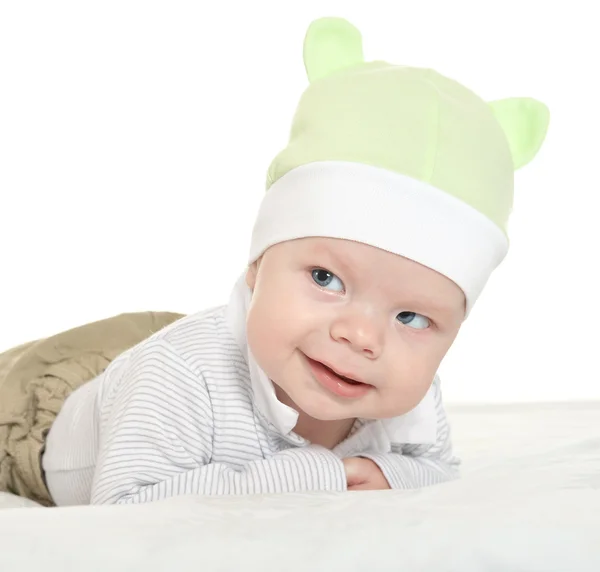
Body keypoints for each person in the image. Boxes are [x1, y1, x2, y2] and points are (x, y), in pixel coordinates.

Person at [40, 16, 549, 505]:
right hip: (43, 415)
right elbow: (125, 502)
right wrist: (317, 473)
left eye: (411, 317)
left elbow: (441, 471)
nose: (362, 337)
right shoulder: (178, 376)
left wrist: (386, 473)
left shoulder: (409, 394)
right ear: (257, 266)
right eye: (326, 279)